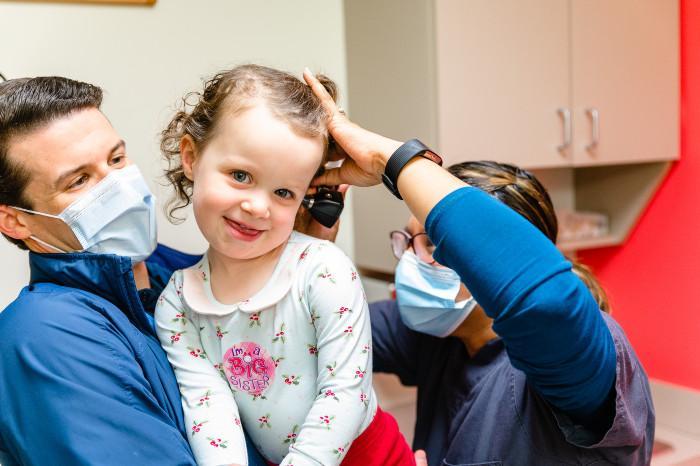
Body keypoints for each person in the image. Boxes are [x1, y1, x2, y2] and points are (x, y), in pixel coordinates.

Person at [303, 70, 655, 466]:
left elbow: (547, 303)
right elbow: (310, 336)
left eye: (433, 245)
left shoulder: (581, 357)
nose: (408, 261)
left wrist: (393, 161)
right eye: (407, 242)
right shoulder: (439, 336)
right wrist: (310, 253)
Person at [155, 64, 415, 466]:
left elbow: (345, 392)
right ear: (190, 157)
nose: (257, 206)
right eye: (240, 175)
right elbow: (209, 408)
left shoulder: (322, 270)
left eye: (283, 191)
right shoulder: (178, 303)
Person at [0, 76, 266, 465]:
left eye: (116, 159)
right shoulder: (43, 334)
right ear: (15, 222)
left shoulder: (175, 274)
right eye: (79, 180)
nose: (119, 188)